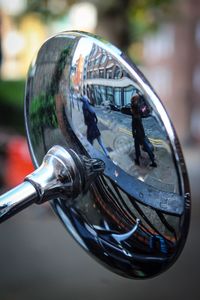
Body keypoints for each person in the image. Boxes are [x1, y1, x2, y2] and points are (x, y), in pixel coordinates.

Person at [131, 94, 157, 167]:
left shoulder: (134, 108)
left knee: (142, 146)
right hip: (140, 132)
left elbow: (134, 125)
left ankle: (140, 160)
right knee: (139, 146)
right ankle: (141, 158)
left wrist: (134, 133)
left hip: (138, 133)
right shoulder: (138, 109)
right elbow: (143, 110)